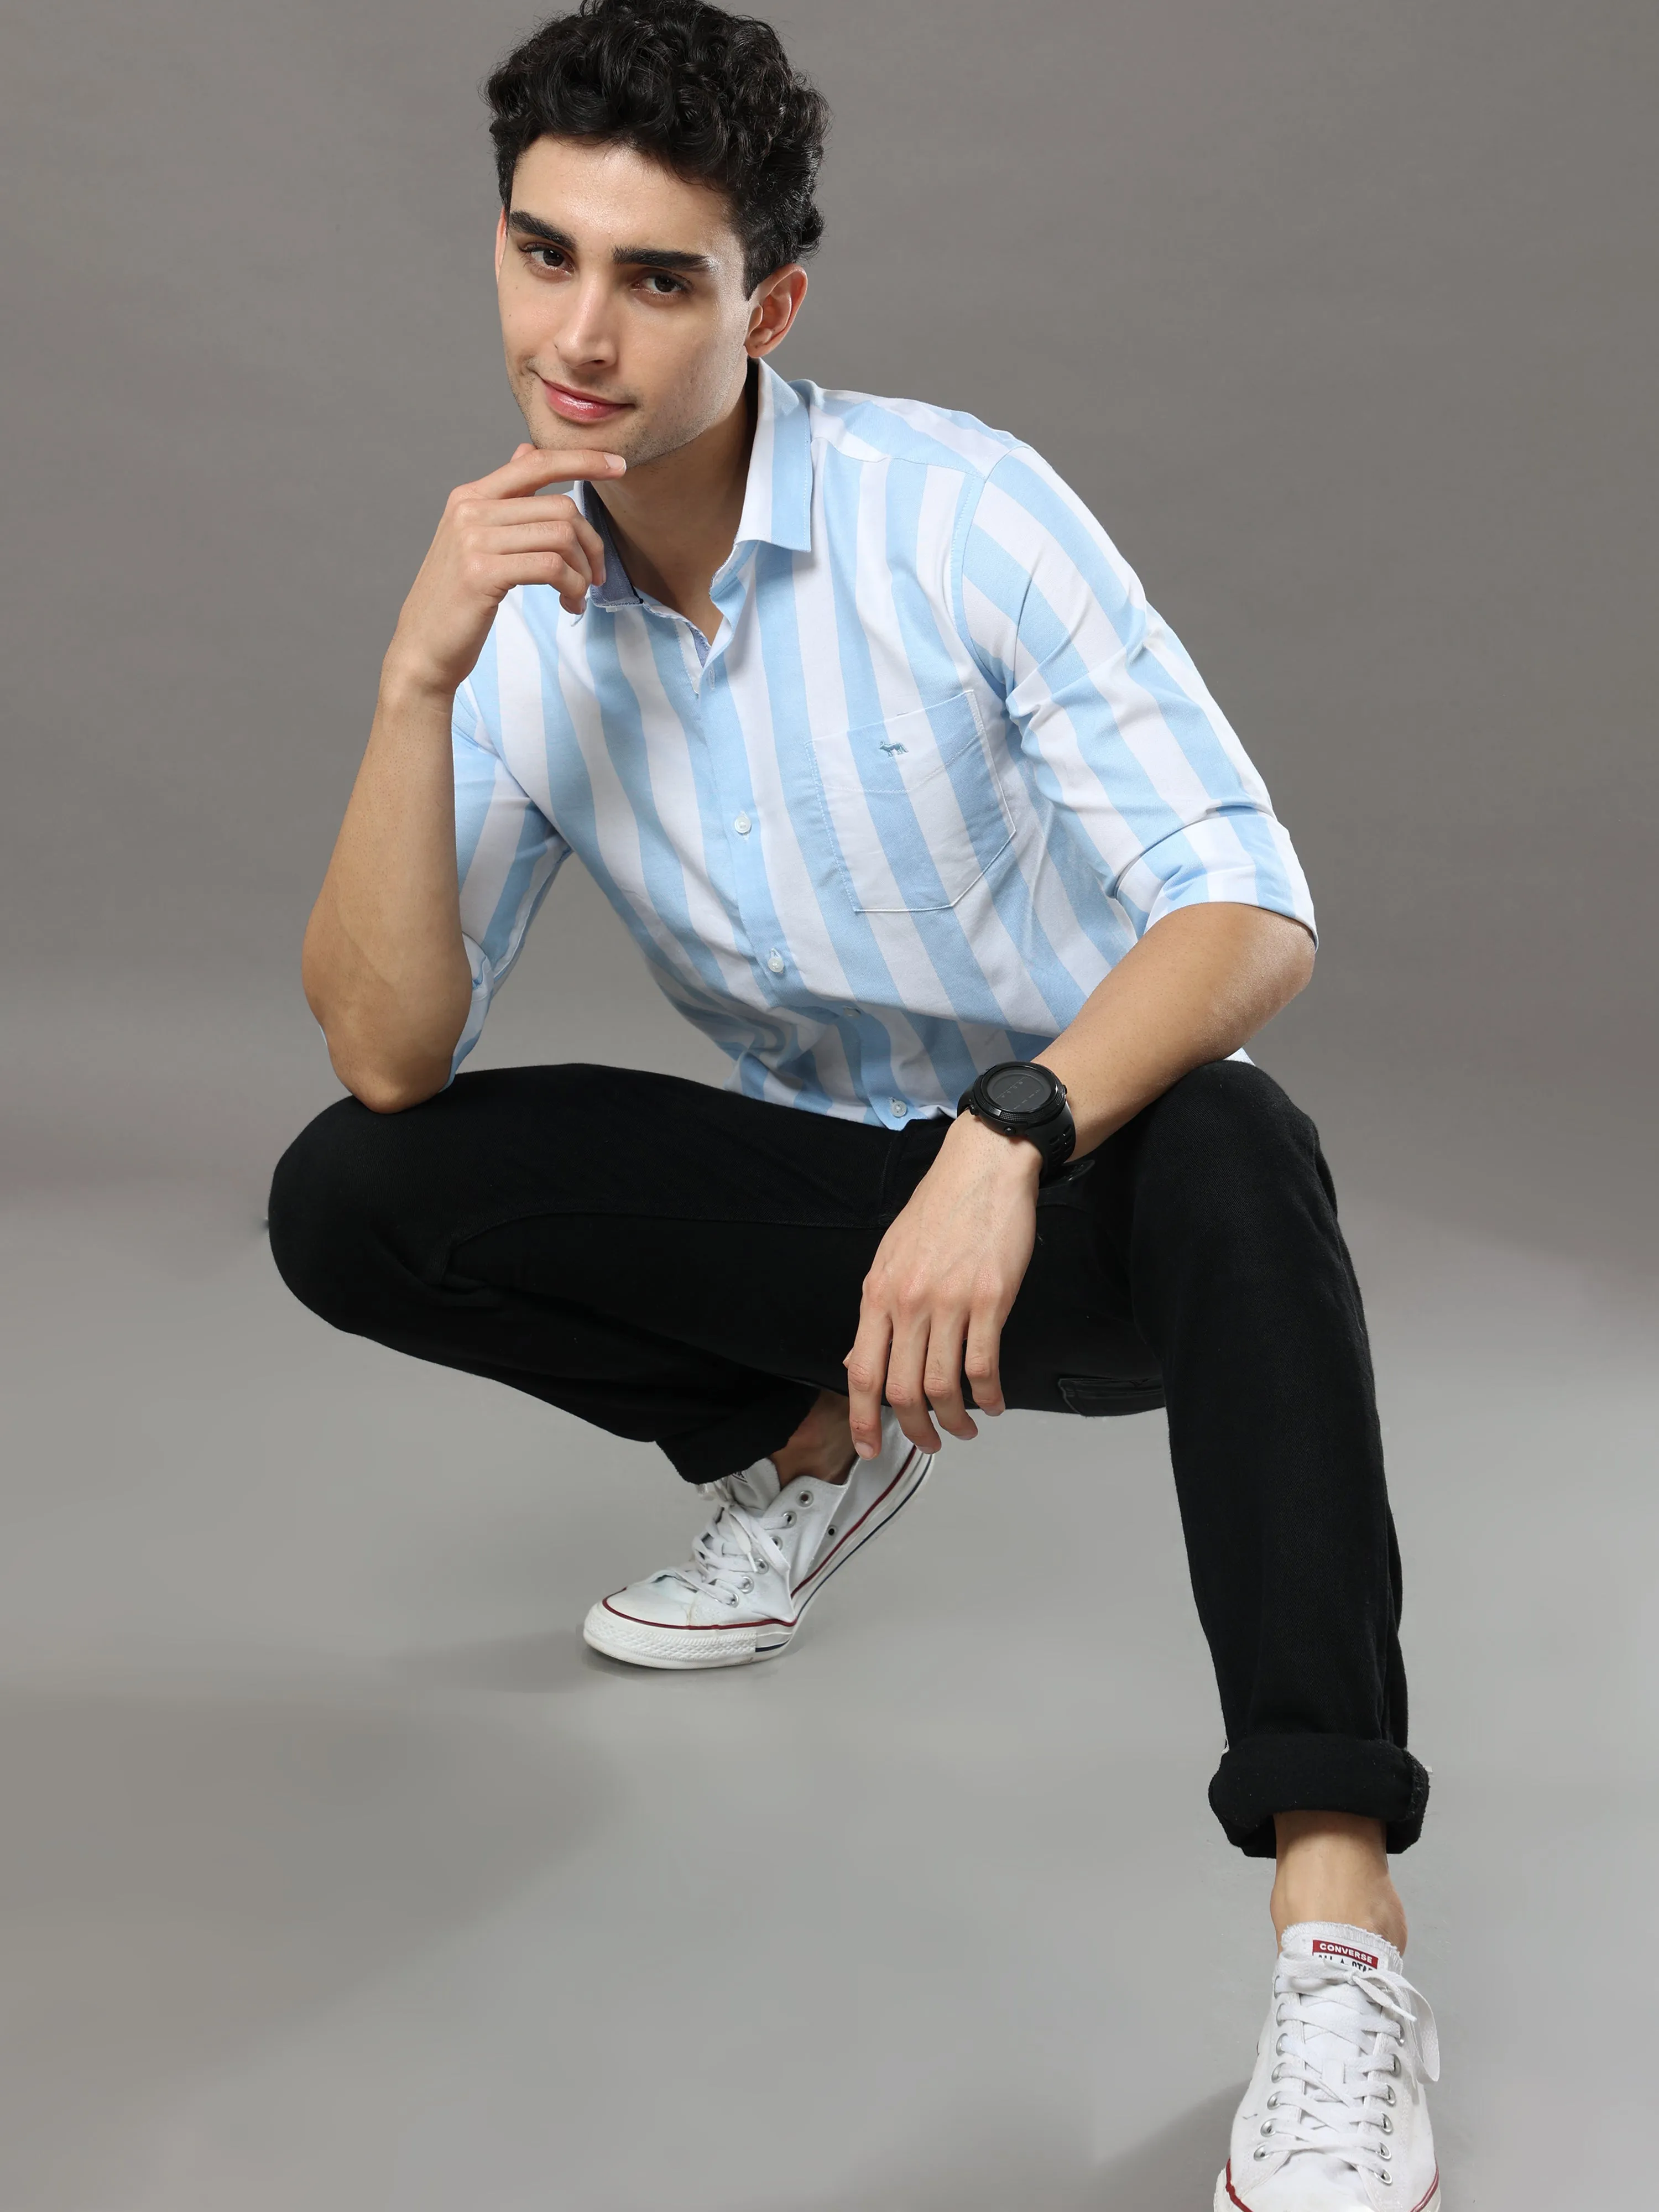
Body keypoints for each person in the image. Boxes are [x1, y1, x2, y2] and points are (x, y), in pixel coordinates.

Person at [267, 3, 1442, 2203]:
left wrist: (1010, 1133)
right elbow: (387, 1050)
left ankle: (1340, 1930)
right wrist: (418, 680)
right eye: (543, 256)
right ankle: (803, 1448)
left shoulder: (956, 514)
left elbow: (1248, 910)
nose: (579, 335)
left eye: (657, 277)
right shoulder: (516, 608)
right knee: (351, 1196)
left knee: (1246, 1137)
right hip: (840, 1227)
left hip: (1081, 1193)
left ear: (768, 303)